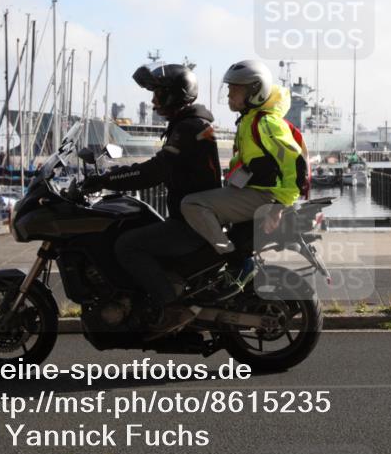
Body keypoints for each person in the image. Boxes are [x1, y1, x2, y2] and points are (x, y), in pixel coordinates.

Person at [80, 62, 221, 337]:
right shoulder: (188, 124)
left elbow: (155, 170)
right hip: (192, 217)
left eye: (159, 94)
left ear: (174, 95)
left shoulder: (190, 127)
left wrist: (107, 179)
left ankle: (171, 307)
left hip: (191, 224)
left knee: (127, 246)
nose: (153, 101)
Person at [180, 59, 304, 263]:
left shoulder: (266, 123)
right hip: (252, 189)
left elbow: (295, 163)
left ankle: (228, 256)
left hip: (266, 195)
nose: (229, 94)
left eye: (234, 89)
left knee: (191, 204)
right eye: (228, 88)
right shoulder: (249, 119)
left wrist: (279, 205)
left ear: (255, 91)